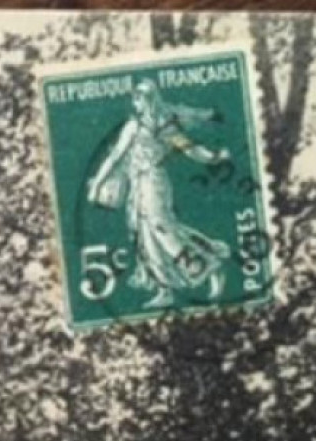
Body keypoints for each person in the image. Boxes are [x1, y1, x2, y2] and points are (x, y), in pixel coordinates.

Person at [87, 79, 231, 309]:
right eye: (136, 98)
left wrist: (213, 158)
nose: (138, 103)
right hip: (137, 184)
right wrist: (97, 185)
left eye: (142, 98)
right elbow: (115, 156)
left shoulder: (166, 125)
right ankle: (165, 289)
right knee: (146, 235)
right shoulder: (133, 126)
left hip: (155, 181)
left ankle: (209, 265)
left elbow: (189, 148)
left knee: (161, 227)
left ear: (152, 99)